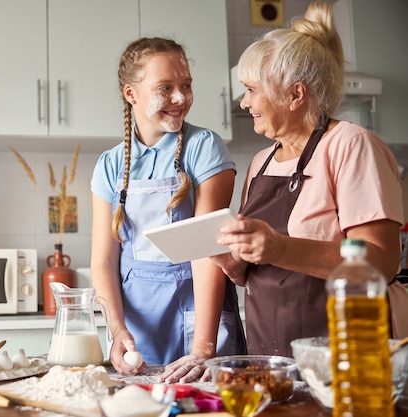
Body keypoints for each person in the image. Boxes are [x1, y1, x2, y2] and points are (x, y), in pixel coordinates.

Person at [212, 1, 404, 357]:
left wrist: (281, 248)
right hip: (272, 357)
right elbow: (254, 273)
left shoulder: (350, 145)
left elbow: (380, 261)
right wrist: (230, 259)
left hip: (343, 356)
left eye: (253, 90)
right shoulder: (260, 162)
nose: (244, 102)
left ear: (295, 94)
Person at [90, 37, 246, 383]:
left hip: (198, 323)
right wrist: (117, 329)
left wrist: (204, 349)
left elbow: (209, 249)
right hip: (138, 329)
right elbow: (103, 260)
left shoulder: (204, 148)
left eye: (186, 86)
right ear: (131, 94)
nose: (180, 98)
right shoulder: (109, 165)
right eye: (166, 87)